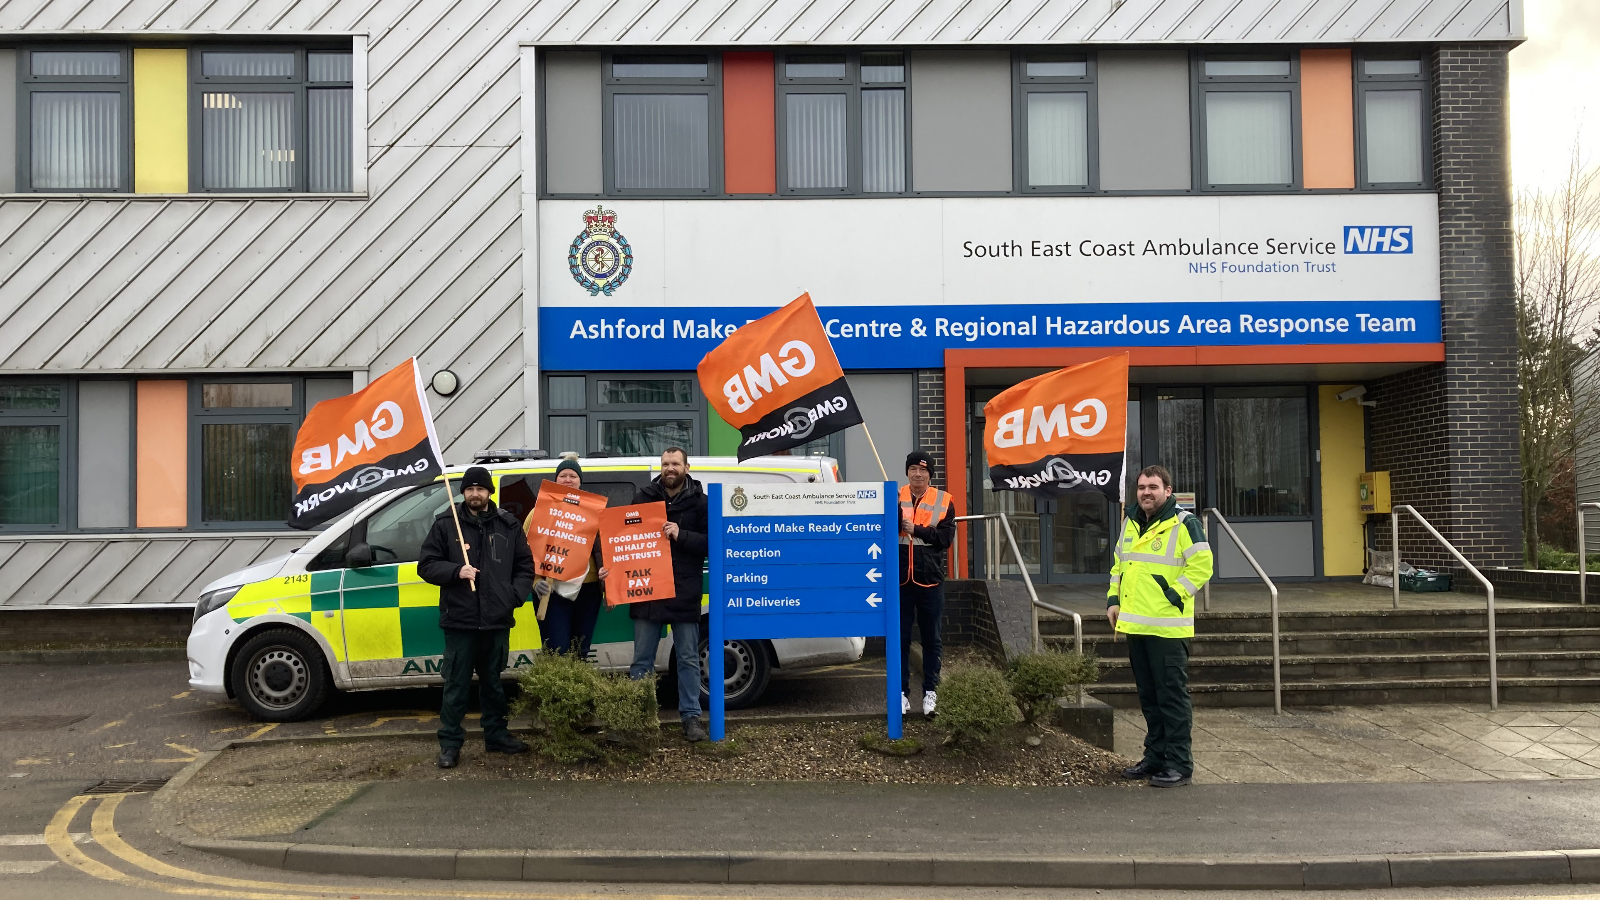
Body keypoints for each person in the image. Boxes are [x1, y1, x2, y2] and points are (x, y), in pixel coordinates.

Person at [418, 466, 535, 769]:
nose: (475, 494)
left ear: (489, 492)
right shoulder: (446, 524)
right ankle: (450, 743)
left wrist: (513, 596)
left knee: (494, 684)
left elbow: (525, 565)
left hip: (496, 620)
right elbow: (426, 565)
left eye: (480, 489)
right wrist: (456, 571)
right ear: (463, 492)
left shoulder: (508, 525)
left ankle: (496, 735)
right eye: (469, 489)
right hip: (460, 620)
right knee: (455, 685)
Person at [1106, 465, 1214, 788]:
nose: (1146, 492)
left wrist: (1175, 593)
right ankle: (1155, 757)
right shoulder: (1131, 522)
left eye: (1153, 487)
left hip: (1168, 629)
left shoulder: (1185, 523)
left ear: (1168, 491)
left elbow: (1203, 565)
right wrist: (1113, 600)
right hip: (1136, 626)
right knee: (1149, 698)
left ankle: (1179, 764)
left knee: (1172, 699)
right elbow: (1118, 565)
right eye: (1141, 487)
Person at [627, 447, 710, 742]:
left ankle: (690, 718)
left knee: (688, 658)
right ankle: (639, 719)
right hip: (648, 591)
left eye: (675, 463)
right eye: (665, 463)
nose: (669, 468)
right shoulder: (643, 497)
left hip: (684, 591)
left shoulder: (702, 503)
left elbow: (714, 544)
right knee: (641, 660)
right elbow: (625, 539)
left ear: (687, 466)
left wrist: (681, 534)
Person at [529, 454, 608, 658]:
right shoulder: (539, 510)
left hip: (589, 590)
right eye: (563, 475)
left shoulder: (594, 511)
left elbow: (610, 547)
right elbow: (526, 552)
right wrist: (536, 581)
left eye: (573, 475)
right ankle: (557, 691)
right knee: (557, 650)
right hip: (552, 589)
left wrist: (610, 582)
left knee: (580, 650)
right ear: (555, 480)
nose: (567, 479)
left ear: (580, 481)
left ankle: (577, 690)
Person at [898, 451, 956, 717]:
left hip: (930, 583)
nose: (917, 474)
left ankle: (930, 692)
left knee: (932, 639)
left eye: (922, 471)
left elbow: (945, 539)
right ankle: (901, 694)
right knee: (900, 640)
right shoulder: (894, 496)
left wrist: (916, 530)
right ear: (907, 472)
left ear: (930, 474)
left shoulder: (944, 500)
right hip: (900, 582)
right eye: (912, 469)